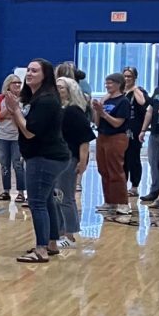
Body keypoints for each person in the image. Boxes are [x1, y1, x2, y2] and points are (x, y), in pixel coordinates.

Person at [4, 59, 70, 263]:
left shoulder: (47, 100)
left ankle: (41, 249)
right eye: (28, 70)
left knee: (37, 202)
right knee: (47, 199)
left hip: (45, 158)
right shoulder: (34, 99)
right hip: (43, 155)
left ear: (45, 75)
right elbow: (22, 127)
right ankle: (51, 243)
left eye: (34, 71)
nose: (29, 74)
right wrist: (14, 110)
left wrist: (14, 109)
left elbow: (30, 132)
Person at [56, 76, 94, 244]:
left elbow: (84, 140)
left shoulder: (73, 111)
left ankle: (69, 234)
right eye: (56, 87)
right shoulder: (56, 109)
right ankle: (59, 231)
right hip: (56, 158)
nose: (58, 90)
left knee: (66, 196)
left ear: (70, 91)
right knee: (57, 197)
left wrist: (83, 161)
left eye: (62, 88)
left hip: (69, 158)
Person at [92, 72, 131, 216]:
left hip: (117, 137)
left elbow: (117, 123)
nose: (107, 85)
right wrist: (97, 110)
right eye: (106, 83)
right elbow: (97, 122)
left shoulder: (123, 102)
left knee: (116, 170)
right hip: (102, 136)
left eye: (110, 83)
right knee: (103, 170)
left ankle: (123, 203)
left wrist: (103, 114)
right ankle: (109, 201)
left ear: (119, 84)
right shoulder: (106, 100)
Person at [0, 73, 27, 203]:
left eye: (19, 83)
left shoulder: (24, 99)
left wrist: (14, 112)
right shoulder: (0, 98)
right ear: (8, 85)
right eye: (14, 83)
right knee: (4, 164)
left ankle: (21, 192)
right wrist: (10, 110)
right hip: (2, 135)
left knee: (18, 164)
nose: (17, 85)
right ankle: (6, 190)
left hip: (18, 136)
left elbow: (23, 117)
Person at [122, 67, 149, 197]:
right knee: (122, 158)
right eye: (125, 76)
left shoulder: (139, 91)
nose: (127, 79)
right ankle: (122, 184)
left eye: (129, 77)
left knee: (133, 158)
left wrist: (134, 89)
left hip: (134, 129)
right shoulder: (120, 91)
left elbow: (143, 102)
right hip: (121, 128)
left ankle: (134, 186)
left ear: (134, 78)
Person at [144, 77, 159, 205]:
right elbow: (150, 111)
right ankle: (155, 190)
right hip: (155, 132)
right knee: (154, 162)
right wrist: (143, 130)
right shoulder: (158, 90)